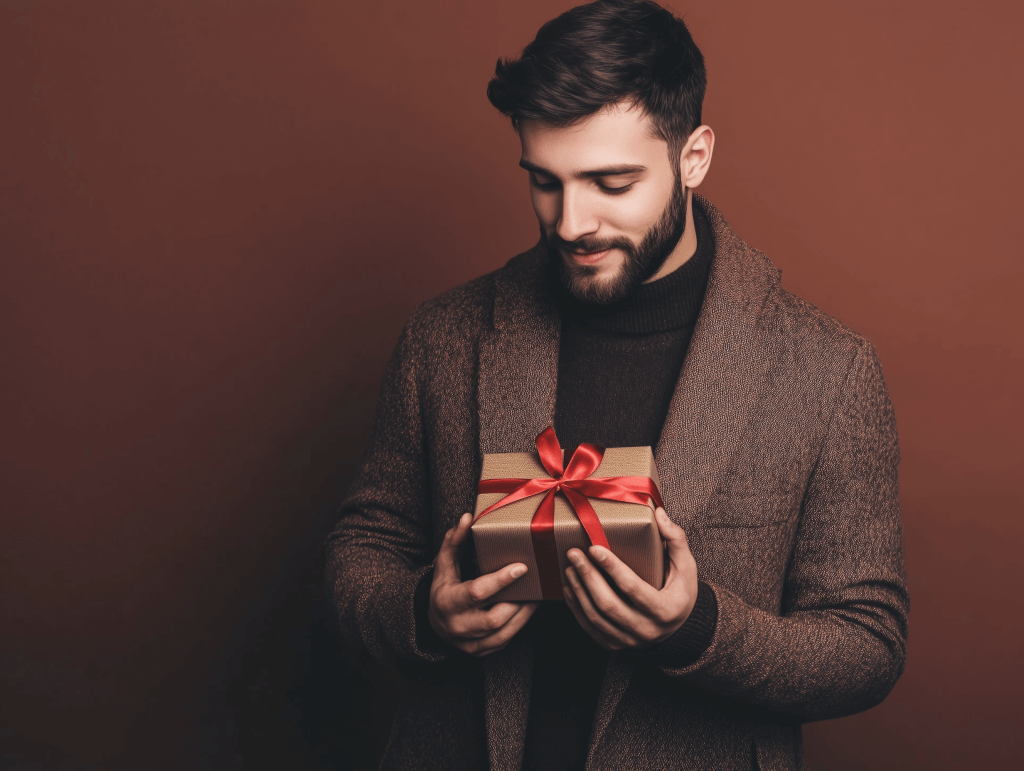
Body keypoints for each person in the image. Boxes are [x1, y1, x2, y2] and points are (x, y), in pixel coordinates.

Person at [326, 1, 909, 768]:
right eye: (546, 182)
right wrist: (423, 616)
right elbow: (363, 546)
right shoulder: (445, 335)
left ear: (693, 157)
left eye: (611, 182)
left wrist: (700, 630)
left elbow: (868, 642)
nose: (571, 222)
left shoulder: (828, 371)